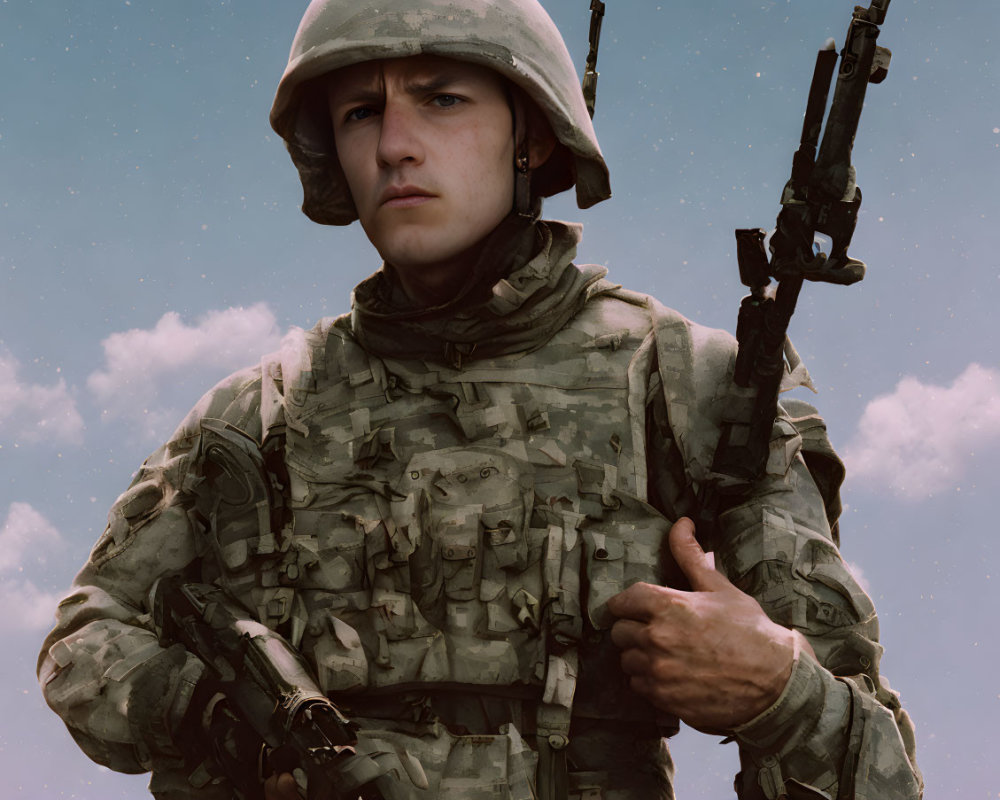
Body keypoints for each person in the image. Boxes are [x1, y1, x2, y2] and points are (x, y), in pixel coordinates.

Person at [38, 1, 923, 798]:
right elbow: (83, 637)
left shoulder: (688, 387)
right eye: (360, 113)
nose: (395, 145)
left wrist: (776, 691)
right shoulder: (256, 416)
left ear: (531, 136)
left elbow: (881, 776)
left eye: (442, 99)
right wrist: (218, 718)